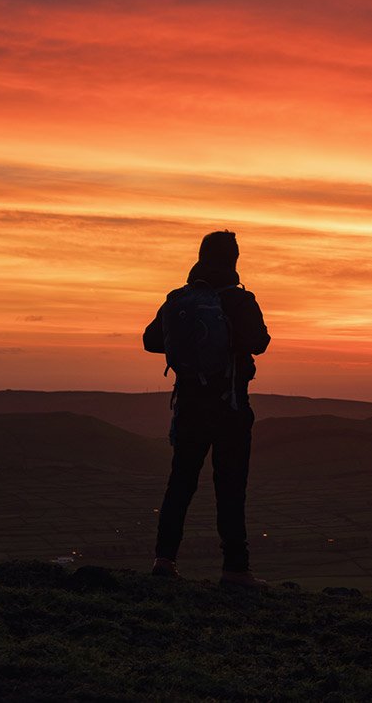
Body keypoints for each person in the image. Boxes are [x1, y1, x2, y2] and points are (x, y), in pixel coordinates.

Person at [143, 230, 271, 588]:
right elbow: (258, 342)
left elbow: (151, 340)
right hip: (230, 407)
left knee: (180, 483)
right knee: (230, 488)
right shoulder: (240, 301)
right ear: (234, 259)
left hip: (188, 407)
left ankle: (164, 560)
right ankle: (235, 569)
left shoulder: (179, 299)